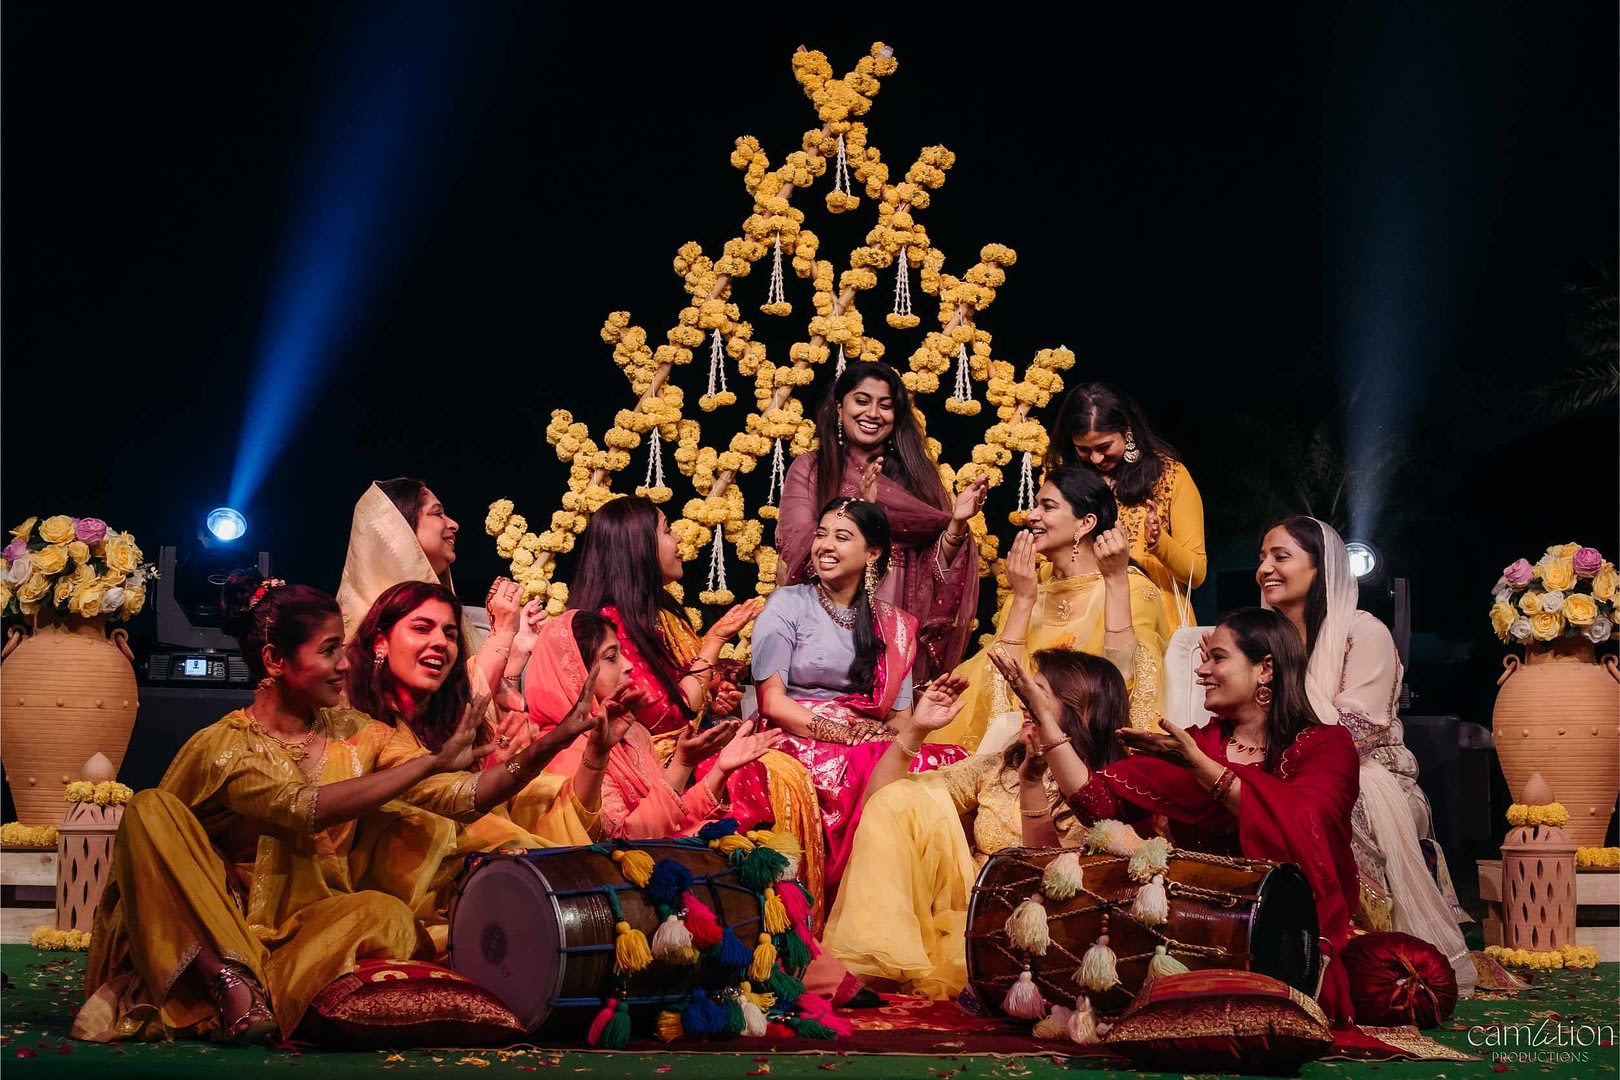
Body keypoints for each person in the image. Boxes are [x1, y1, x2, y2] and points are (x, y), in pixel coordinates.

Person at [73, 573, 595, 1045]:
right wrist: (430, 763)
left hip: (308, 923)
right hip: (215, 923)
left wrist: (552, 743)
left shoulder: (358, 732)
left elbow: (461, 798)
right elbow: (301, 807)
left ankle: (270, 987)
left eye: (342, 649)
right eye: (329, 651)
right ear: (275, 660)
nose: (345, 664)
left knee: (386, 912)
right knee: (149, 809)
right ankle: (230, 983)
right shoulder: (225, 747)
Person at [998, 607, 1361, 1023]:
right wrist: (1047, 720)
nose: (1202, 670)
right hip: (1195, 933)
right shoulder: (1196, 745)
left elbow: (1306, 824)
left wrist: (1199, 767)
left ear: (1266, 669)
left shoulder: (1327, 746)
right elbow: (1097, 804)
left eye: (1218, 658)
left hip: (1291, 941)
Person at [564, 494, 828, 906]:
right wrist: (716, 640)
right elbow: (666, 714)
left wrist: (715, 693)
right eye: (667, 531)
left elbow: (687, 688)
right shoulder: (611, 619)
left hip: (691, 741)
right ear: (638, 548)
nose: (679, 541)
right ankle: (765, 904)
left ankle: (793, 911)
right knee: (772, 773)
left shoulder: (664, 612)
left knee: (790, 758)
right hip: (658, 756)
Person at [824, 651, 1128, 999]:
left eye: (1035, 693)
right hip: (965, 904)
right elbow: (883, 803)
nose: (1023, 703)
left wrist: (1033, 784)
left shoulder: (1104, 791)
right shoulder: (999, 767)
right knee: (902, 800)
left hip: (1036, 923)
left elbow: (1048, 875)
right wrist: (916, 729)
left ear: (1080, 708)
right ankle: (878, 960)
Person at [343, 581, 622, 950]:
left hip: (478, 881)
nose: (440, 642)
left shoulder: (454, 722)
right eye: (422, 628)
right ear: (380, 641)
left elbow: (502, 802)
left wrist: (597, 755)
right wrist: (552, 741)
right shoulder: (358, 728)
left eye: (450, 634)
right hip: (408, 903)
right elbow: (458, 798)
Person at [1257, 516, 1474, 990]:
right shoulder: (1265, 642)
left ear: (1321, 568)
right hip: (1280, 766)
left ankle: (1353, 954)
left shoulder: (1362, 631)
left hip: (1364, 771)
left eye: (1280, 556)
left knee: (1320, 804)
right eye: (1262, 557)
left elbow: (1356, 731)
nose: (1265, 568)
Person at [752, 497, 970, 891]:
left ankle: (916, 893)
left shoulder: (896, 626)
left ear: (872, 553)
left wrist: (891, 733)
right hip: (796, 732)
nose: (825, 545)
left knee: (951, 762)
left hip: (868, 738)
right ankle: (857, 890)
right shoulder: (787, 604)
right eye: (821, 534)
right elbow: (771, 702)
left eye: (841, 537)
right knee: (869, 761)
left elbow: (899, 719)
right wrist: (843, 733)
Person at [776, 361, 990, 681]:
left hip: (901, 613)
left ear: (896, 415)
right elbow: (797, 549)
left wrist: (957, 524)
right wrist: (862, 514)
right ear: (840, 407)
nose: (873, 413)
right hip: (832, 616)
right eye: (862, 401)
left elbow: (935, 566)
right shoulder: (811, 470)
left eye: (885, 405)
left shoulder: (917, 477)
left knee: (895, 704)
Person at [934, 465, 1169, 754]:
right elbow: (997, 686)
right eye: (1035, 506)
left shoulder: (1131, 587)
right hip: (1018, 739)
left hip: (1087, 747)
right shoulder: (1031, 590)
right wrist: (1022, 600)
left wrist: (1116, 582)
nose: (1031, 516)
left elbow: (1125, 683)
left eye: (1047, 506)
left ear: (1086, 523)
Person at [525, 608, 781, 838]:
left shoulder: (633, 732)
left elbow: (673, 819)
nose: (628, 666)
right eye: (612, 657)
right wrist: (681, 765)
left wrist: (720, 771)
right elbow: (622, 842)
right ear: (576, 671)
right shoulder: (562, 752)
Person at [337, 477, 532, 699]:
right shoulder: (364, 624)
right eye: (437, 513)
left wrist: (516, 653)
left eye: (448, 634)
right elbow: (455, 709)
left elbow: (482, 709)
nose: (453, 524)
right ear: (398, 527)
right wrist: (502, 634)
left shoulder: (459, 618)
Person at [1047, 382, 1205, 630]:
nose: (1096, 458)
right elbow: (1048, 561)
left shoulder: (1169, 475)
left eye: (1104, 447)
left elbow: (1196, 574)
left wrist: (1159, 542)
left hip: (1156, 621)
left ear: (1127, 430)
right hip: (1081, 620)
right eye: (1083, 449)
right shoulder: (1062, 484)